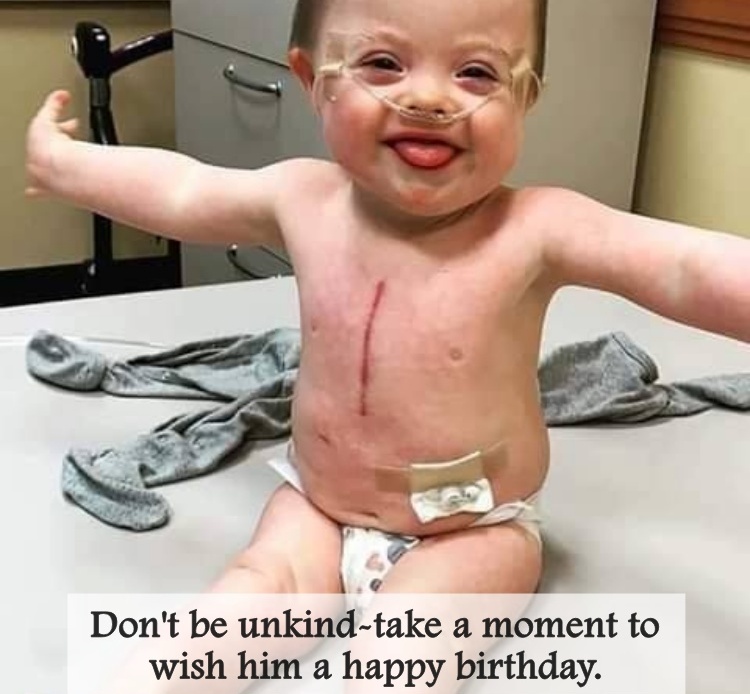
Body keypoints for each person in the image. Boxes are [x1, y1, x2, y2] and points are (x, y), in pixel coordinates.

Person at [25, 0, 750, 648]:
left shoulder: (537, 228)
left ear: (526, 97)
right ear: (312, 80)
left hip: (473, 532)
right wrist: (65, 166)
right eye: (382, 63)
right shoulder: (302, 197)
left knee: (398, 653)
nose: (429, 99)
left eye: (476, 73)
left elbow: (682, 267)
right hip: (316, 506)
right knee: (238, 605)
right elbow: (184, 189)